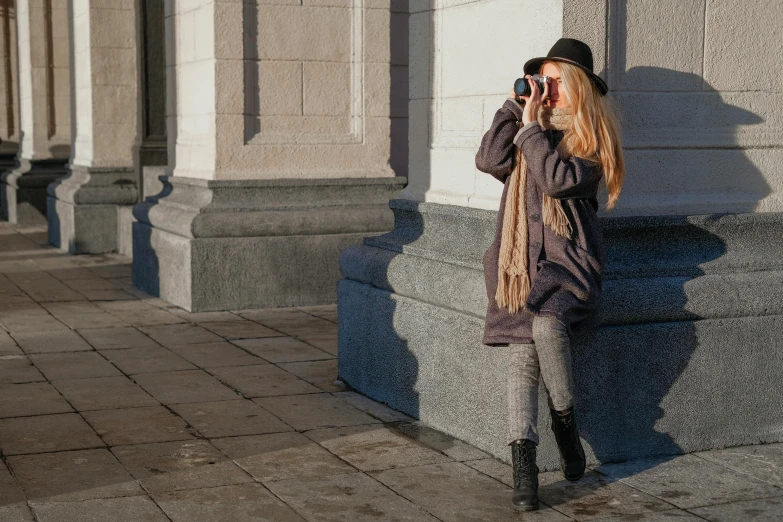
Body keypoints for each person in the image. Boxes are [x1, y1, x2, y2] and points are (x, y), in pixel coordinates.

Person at [475, 38, 625, 511]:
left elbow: (555, 179)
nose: (547, 92)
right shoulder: (529, 135)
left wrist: (531, 132)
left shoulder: (589, 144)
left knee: (545, 323)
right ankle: (525, 465)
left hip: (567, 269)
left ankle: (564, 419)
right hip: (519, 269)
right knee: (522, 357)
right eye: (542, 82)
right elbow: (488, 159)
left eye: (554, 83)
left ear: (577, 88)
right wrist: (514, 106)